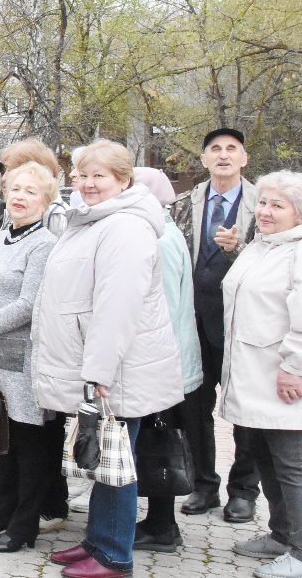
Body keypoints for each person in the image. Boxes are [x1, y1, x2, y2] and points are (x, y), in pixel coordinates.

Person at [36, 139, 184, 578]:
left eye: (99, 175)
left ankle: (115, 555)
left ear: (124, 180)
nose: (87, 184)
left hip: (116, 368)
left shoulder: (125, 227)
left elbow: (117, 307)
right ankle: (97, 540)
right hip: (99, 364)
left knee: (118, 461)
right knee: (103, 458)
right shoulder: (94, 220)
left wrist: (98, 372)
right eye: (82, 175)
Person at [0, 162, 66, 553]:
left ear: (46, 200)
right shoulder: (0, 236)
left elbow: (27, 305)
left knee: (29, 445)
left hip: (22, 359)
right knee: (5, 443)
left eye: (31, 192)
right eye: (15, 189)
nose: (19, 197)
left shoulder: (44, 244)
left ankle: (23, 527)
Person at [172, 127, 262, 523]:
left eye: (232, 149)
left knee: (245, 412)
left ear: (244, 158)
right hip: (192, 323)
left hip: (243, 326)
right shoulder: (182, 206)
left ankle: (243, 490)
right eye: (215, 149)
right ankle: (203, 485)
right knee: (193, 408)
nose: (223, 155)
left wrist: (237, 250)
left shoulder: (266, 204)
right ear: (204, 159)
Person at [218, 170, 302, 576]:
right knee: (267, 459)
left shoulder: (298, 251)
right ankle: (282, 534)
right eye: (264, 203)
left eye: (278, 206)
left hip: (283, 379)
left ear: (298, 213)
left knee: (292, 466)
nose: (266, 212)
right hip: (254, 375)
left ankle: (300, 554)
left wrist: (294, 368)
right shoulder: (261, 245)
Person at [134, 166, 204, 553]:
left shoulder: (158, 239)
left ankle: (163, 525)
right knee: (157, 439)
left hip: (164, 364)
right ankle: (158, 520)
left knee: (160, 440)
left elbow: (163, 308)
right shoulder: (160, 231)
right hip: (168, 361)